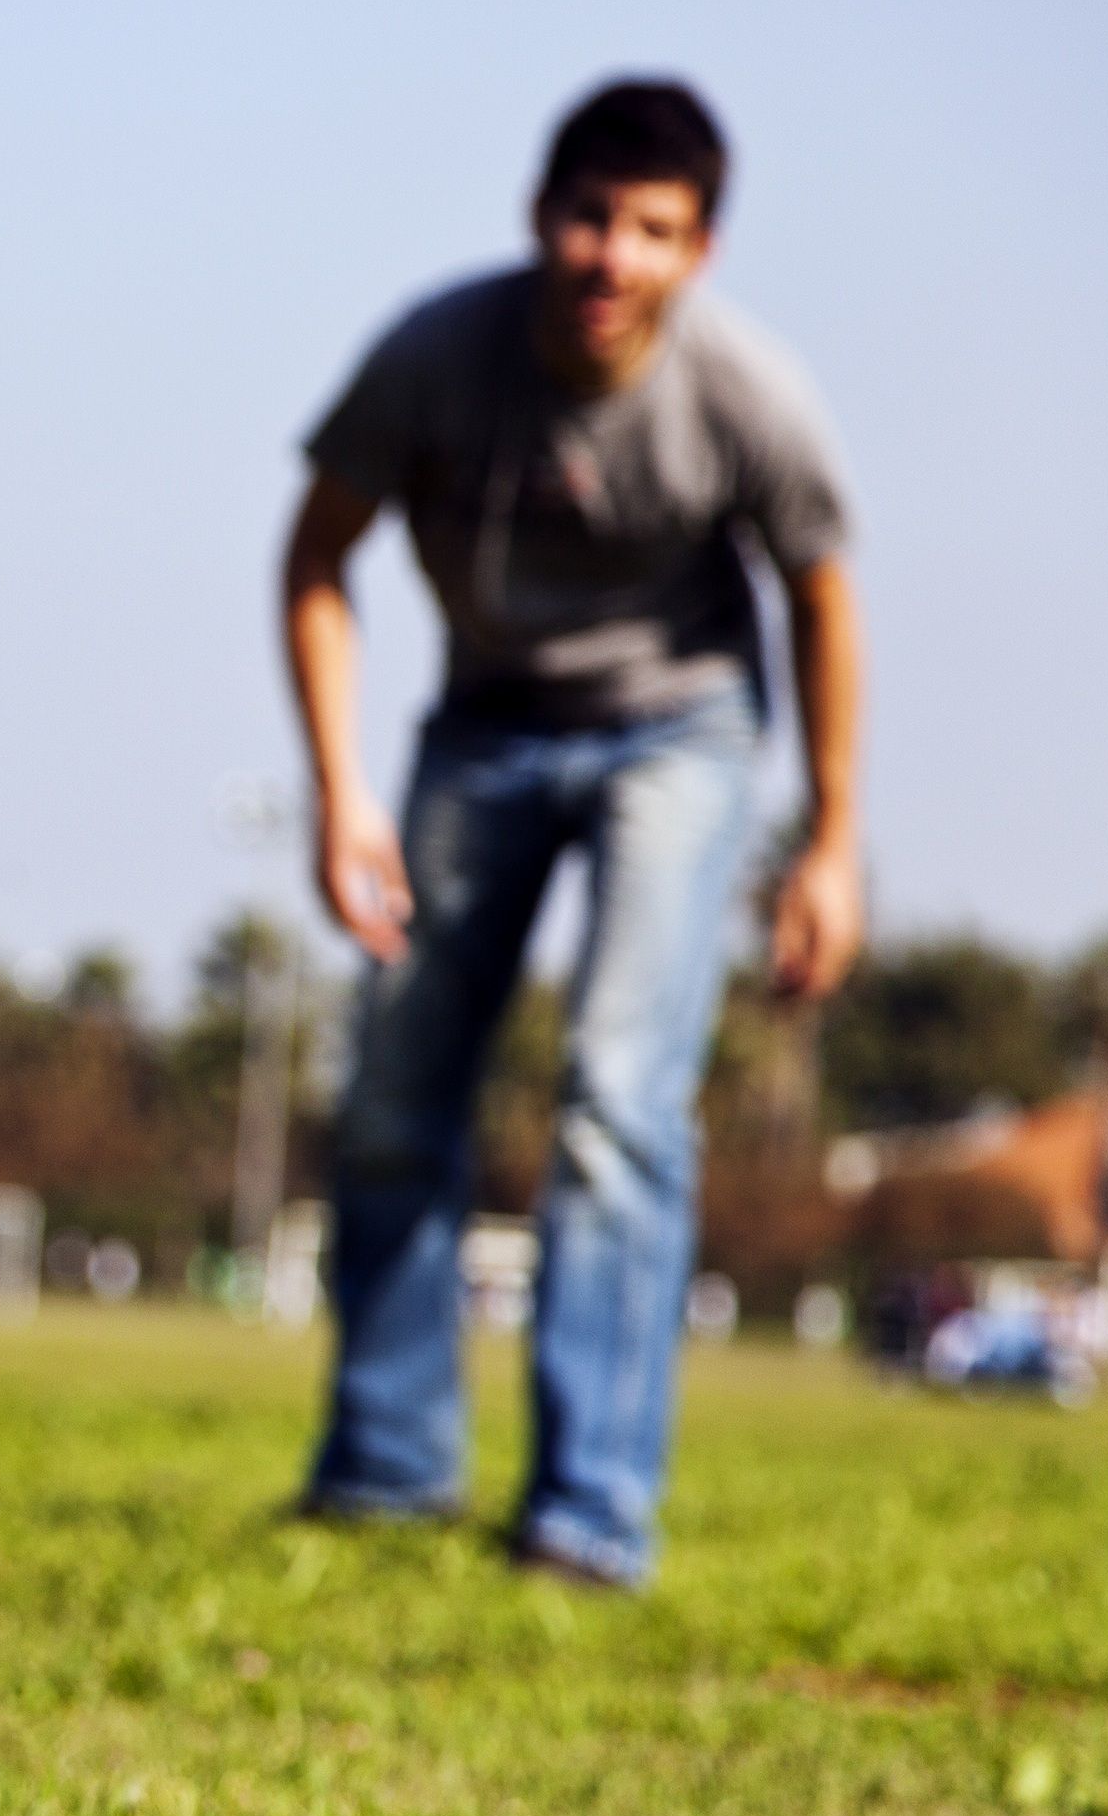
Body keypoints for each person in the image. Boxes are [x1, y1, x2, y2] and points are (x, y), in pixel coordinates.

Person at [280, 79, 867, 1587]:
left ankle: (590, 1510)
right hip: (481, 725)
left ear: (700, 250)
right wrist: (342, 790)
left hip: (679, 734)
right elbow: (317, 557)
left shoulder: (744, 394)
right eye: (592, 217)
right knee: (401, 1083)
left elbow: (819, 598)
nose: (613, 256)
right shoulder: (436, 356)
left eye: (654, 230)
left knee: (616, 1094)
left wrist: (830, 837)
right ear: (543, 215)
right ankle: (388, 1468)